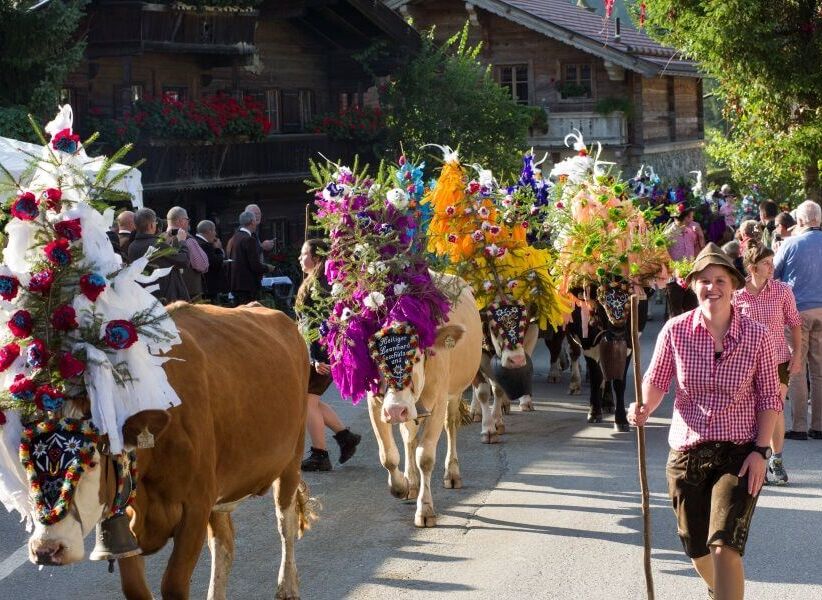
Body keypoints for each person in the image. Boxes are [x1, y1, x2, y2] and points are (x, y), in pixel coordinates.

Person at [628, 242, 781, 600]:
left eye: (720, 280)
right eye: (704, 281)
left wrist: (761, 451)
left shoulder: (757, 337)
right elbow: (656, 382)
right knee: (697, 549)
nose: (712, 288)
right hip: (686, 453)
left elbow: (770, 398)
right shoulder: (675, 331)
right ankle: (720, 591)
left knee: (723, 545)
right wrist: (643, 408)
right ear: (693, 285)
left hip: (738, 454)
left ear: (733, 285)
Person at [734, 241, 802, 484]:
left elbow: (795, 324)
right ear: (752, 268)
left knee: (773, 408)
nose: (772, 267)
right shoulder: (736, 295)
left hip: (778, 360)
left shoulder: (782, 290)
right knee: (753, 409)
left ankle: (776, 460)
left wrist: (797, 356)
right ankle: (755, 456)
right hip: (747, 363)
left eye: (772, 262)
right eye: (766, 263)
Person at [295, 239, 361, 471]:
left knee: (307, 402)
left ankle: (320, 454)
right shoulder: (316, 281)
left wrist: (315, 358)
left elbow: (318, 323)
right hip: (318, 352)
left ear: (317, 257)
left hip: (321, 353)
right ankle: (345, 438)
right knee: (311, 401)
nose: (300, 258)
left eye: (304, 254)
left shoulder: (321, 285)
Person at [773, 200, 822, 440]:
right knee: (820, 369)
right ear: (819, 220)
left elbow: (773, 274)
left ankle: (800, 426)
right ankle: (819, 425)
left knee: (797, 368)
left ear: (800, 221)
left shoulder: (790, 244)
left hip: (797, 311)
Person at [127, 208, 191, 303]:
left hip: (145, 296)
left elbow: (167, 259)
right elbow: (184, 261)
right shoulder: (157, 244)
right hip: (166, 298)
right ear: (152, 225)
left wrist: (165, 241)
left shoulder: (132, 246)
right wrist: (182, 241)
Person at [226, 210, 271, 304]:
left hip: (235, 285)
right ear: (252, 222)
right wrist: (268, 268)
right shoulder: (249, 239)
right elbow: (254, 265)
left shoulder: (234, 238)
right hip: (247, 286)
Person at [664, 205, 700, 318]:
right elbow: (662, 257)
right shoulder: (668, 235)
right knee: (675, 315)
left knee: (692, 312)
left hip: (690, 277)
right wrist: (675, 272)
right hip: (673, 279)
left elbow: (696, 249)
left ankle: (691, 335)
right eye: (690, 217)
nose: (692, 220)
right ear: (685, 218)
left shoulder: (691, 232)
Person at [166, 207, 209, 301]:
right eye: (187, 219)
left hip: (170, 293)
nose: (188, 222)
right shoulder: (188, 240)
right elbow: (202, 265)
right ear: (181, 221)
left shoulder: (161, 239)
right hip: (190, 293)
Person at [195, 220, 225, 302]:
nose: (215, 234)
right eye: (214, 230)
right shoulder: (206, 245)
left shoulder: (196, 241)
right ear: (209, 231)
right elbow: (215, 263)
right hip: (209, 287)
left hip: (200, 286)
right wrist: (218, 249)